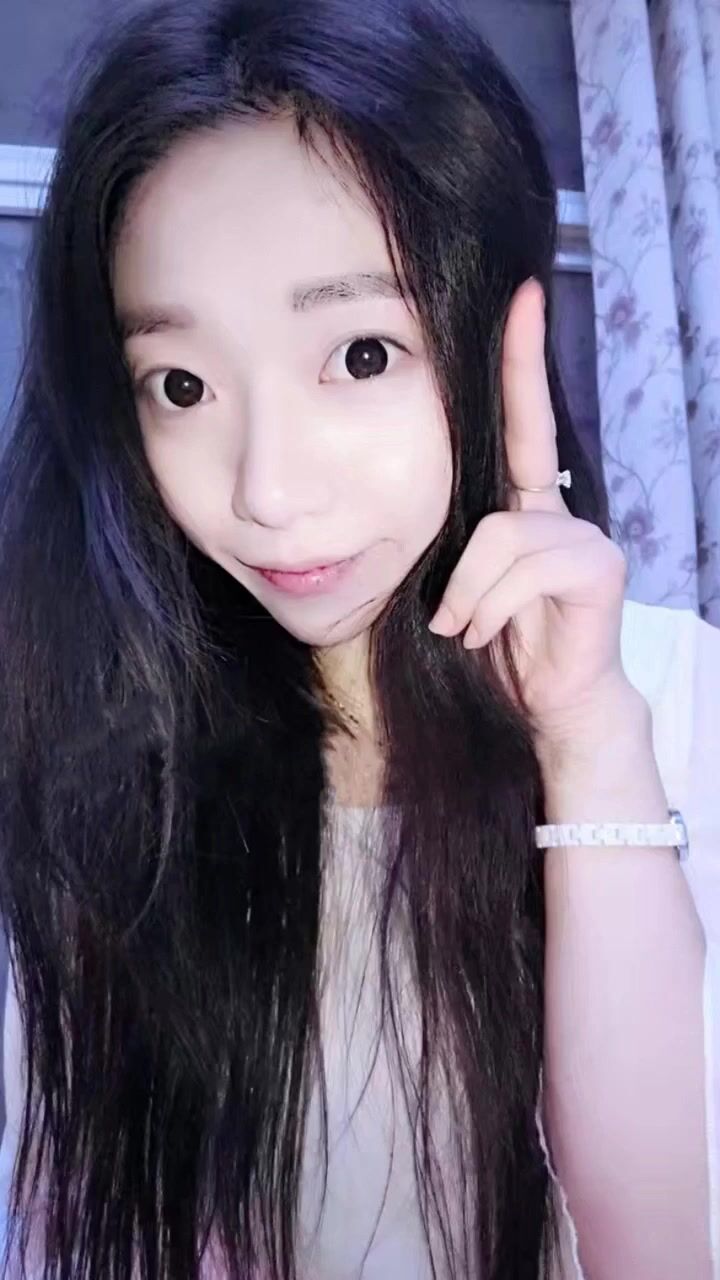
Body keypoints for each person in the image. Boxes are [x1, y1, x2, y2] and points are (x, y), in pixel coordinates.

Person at [0, 0, 717, 1276]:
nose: (268, 490)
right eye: (181, 385)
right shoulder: (77, 752)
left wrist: (590, 746)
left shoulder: (676, 698)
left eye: (363, 353)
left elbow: (659, 1250)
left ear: (494, 336)